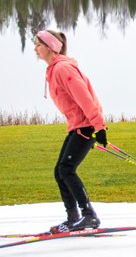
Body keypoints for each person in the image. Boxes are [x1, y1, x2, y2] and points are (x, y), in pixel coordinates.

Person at [34, 29, 108, 233]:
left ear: (49, 48)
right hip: (78, 125)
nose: (35, 49)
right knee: (60, 171)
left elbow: (84, 97)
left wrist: (99, 127)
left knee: (66, 169)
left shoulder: (63, 69)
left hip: (86, 126)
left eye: (38, 45)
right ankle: (73, 217)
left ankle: (88, 215)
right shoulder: (54, 69)